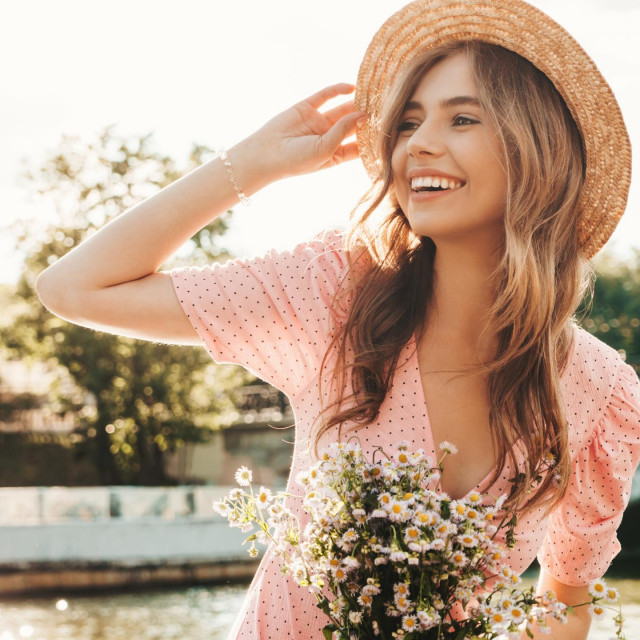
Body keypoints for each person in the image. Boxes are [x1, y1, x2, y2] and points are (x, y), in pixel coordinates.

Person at [35, 0, 639, 638]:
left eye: (462, 118)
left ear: (536, 151)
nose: (420, 144)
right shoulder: (335, 294)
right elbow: (74, 287)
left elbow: (564, 603)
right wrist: (252, 164)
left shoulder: (601, 394)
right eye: (407, 123)